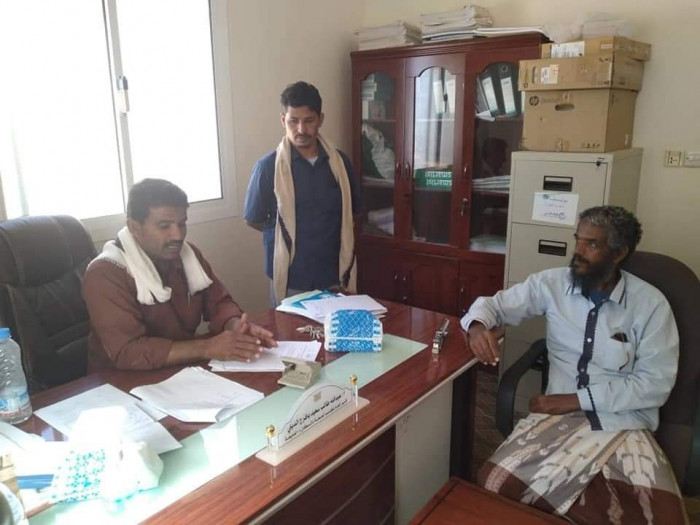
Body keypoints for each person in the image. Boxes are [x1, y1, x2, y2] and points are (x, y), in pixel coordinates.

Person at [462, 206, 687, 522]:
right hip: (557, 420)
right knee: (495, 483)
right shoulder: (552, 284)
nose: (578, 252)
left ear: (619, 252)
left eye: (591, 244)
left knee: (660, 516)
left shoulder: (650, 305)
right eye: (577, 239)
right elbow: (494, 306)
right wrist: (477, 326)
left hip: (622, 422)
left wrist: (575, 400)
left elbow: (654, 384)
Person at [83, 178, 277, 372]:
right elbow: (129, 352)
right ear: (134, 227)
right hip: (121, 379)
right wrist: (206, 347)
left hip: (181, 368)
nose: (177, 235)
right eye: (164, 226)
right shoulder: (105, 273)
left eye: (182, 224)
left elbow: (218, 302)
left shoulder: (188, 254)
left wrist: (235, 325)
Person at [244, 81, 360, 305]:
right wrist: (287, 233)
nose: (301, 130)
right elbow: (254, 218)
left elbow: (352, 213)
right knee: (288, 329)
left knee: (334, 328)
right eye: (293, 121)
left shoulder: (340, 164)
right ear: (283, 120)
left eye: (309, 120)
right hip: (290, 277)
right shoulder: (268, 167)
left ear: (320, 119)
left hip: (334, 275)